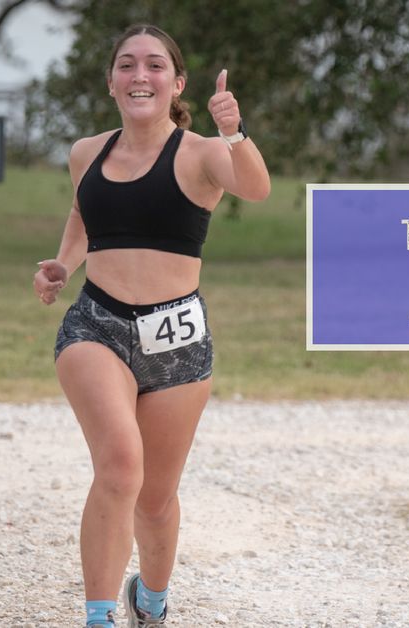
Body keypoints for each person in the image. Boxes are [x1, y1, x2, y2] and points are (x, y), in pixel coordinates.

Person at [32, 24, 270, 628]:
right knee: (119, 465)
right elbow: (85, 214)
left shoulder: (202, 153)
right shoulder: (87, 152)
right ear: (111, 81)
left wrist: (232, 131)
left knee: (156, 500)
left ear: (177, 82)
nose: (141, 75)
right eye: (128, 65)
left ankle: (152, 599)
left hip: (178, 338)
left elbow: (258, 188)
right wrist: (64, 262)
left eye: (155, 66)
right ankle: (98, 616)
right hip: (98, 325)